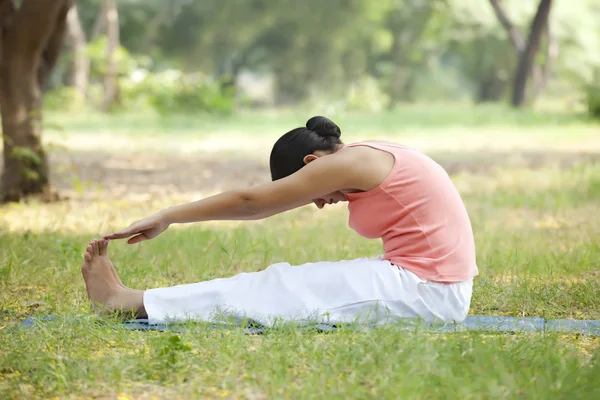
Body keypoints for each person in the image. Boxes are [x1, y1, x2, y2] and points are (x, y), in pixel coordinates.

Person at [82, 116, 478, 327]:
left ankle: (127, 301)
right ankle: (134, 299)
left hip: (429, 292)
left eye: (311, 193)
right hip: (424, 283)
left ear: (312, 164)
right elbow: (257, 205)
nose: (321, 204)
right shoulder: (367, 155)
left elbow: (252, 203)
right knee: (283, 285)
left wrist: (167, 216)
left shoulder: (349, 162)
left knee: (277, 289)